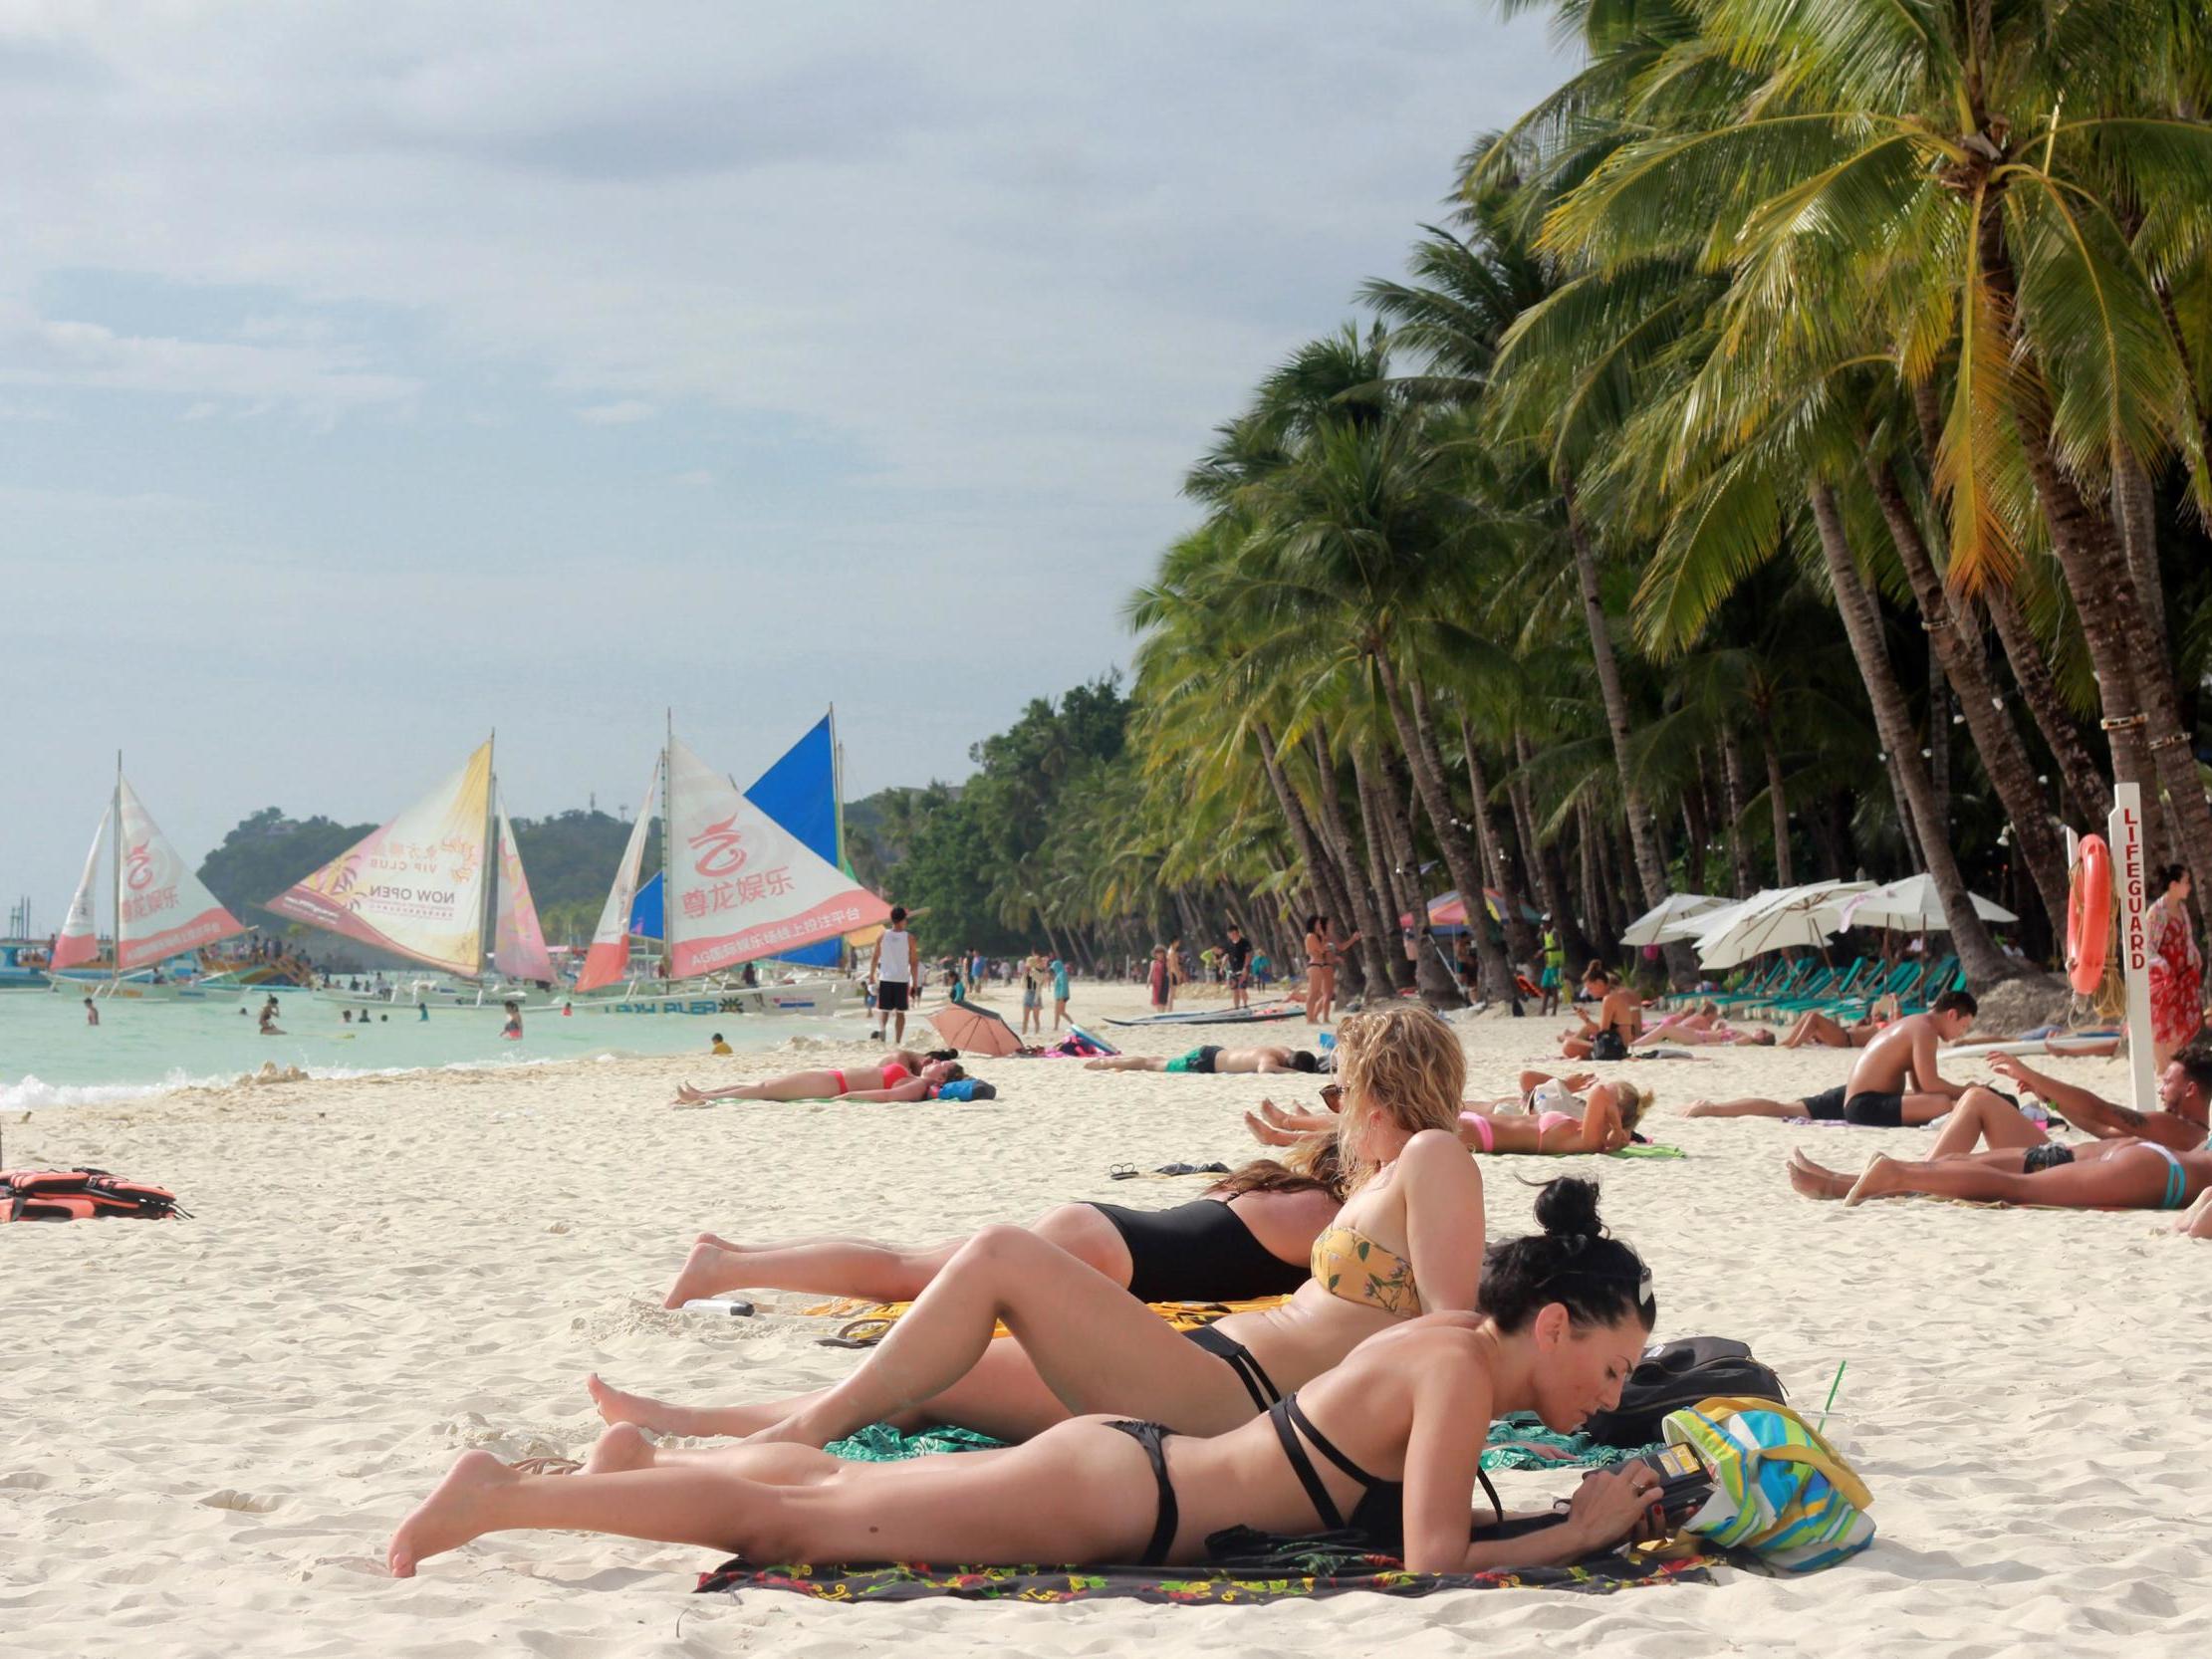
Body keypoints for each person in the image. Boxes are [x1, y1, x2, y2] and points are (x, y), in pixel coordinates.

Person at [388, 1179, 1659, 1579]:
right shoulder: (1447, 1366)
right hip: (1124, 1494)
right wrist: (1582, 1529)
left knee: (827, 1492)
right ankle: (497, 1499)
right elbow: (1434, 1565)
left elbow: (1426, 1524)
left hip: (1132, 1472)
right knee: (800, 1521)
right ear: (1550, 1323)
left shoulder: (1448, 1364)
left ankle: (646, 1468)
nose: (1612, 1393)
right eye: (1611, 1363)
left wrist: (1570, 1514)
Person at [588, 1005, 1486, 1450]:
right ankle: (692, 1421)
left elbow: (1451, 1329)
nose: (1341, 1105)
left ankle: (790, 1434)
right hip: (1214, 1364)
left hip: (1235, 1392)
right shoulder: (1392, 1172)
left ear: (1379, 1085)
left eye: (1346, 1087)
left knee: (996, 1254)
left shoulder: (1433, 1157)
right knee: (944, 1375)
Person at [661, 1141, 1348, 1309]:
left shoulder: (1279, 1187)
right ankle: (725, 1270)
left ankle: (736, 1253)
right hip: (1108, 1253)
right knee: (907, 1278)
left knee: (911, 1260)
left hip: (1102, 1232)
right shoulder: (1326, 1214)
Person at [1685, 991, 1981, 1126]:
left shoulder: (1914, 1024)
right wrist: (1970, 1091)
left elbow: (1920, 1088)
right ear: (1952, 1014)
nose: (1959, 1034)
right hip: (1865, 1104)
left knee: (1783, 1108)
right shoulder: (1925, 1029)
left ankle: (1713, 1109)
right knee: (1944, 1104)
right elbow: (1931, 1087)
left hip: (1854, 1093)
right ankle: (1712, 1109)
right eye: (1963, 1026)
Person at [1912, 1043, 2212, 1158]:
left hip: (2060, 1165)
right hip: (2060, 1159)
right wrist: (2050, 1100)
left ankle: (1925, 1171)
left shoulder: (2183, 1130)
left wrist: (2029, 1071)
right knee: (1978, 1100)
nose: (2161, 1090)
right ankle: (1926, 1170)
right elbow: (2101, 1128)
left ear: (2190, 1090)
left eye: (2168, 1082)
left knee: (1978, 1099)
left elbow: (2101, 1110)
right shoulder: (2178, 1130)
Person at [1789, 1139, 2212, 1211]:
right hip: (2160, 1175)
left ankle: (1837, 1182)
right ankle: (1895, 1173)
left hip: (2147, 1155)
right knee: (2020, 1189)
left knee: (1979, 1164)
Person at [673, 1052, 960, 1105]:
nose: (934, 1061)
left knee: (764, 1089)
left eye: (940, 1064)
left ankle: (704, 1098)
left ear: (942, 1080)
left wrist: (848, 1097)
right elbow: (897, 1053)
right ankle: (703, 1092)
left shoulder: (917, 1085)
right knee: (764, 1084)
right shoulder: (910, 1071)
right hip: (831, 1076)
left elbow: (888, 1097)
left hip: (834, 1086)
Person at [2146, 864, 2204, 1069]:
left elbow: (2187, 939)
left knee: (2182, 1022)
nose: (2189, 887)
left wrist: (2194, 954)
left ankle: (2169, 1066)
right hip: (2163, 978)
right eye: (2186, 882)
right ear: (2173, 885)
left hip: (2182, 975)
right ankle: (2162, 1067)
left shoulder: (2182, 909)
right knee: (2160, 1023)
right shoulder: (2157, 912)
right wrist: (2162, 965)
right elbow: (2148, 947)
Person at [1559, 966, 1643, 1061]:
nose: (1589, 993)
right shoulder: (1615, 995)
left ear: (1599, 983)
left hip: (1614, 1048)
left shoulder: (1609, 999)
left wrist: (1586, 1019)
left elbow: (1602, 1033)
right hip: (1618, 1045)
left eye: (1590, 988)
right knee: (1573, 1040)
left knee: (1568, 1044)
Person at [1084, 1044, 1323, 1075]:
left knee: (1158, 1060)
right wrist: (1299, 1074)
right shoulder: (1270, 1057)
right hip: (1205, 1062)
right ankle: (1109, 1062)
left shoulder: (1282, 1049)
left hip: (1214, 1054)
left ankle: (1122, 1064)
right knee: (1154, 1064)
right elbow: (1265, 1070)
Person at [867, 906, 917, 1045]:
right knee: (900, 1013)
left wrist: (871, 976)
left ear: (892, 919)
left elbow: (875, 958)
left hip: (886, 978)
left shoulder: (882, 935)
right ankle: (897, 1041)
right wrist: (915, 983)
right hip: (901, 979)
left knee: (884, 1009)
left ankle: (882, 1029)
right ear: (903, 920)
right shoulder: (909, 938)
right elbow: (914, 962)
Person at [1303, 916, 1359, 1025]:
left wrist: (1353, 939)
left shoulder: (1322, 936)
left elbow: (1339, 947)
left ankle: (1316, 1017)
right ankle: (1314, 1017)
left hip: (1321, 965)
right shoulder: (1316, 936)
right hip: (1321, 965)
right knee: (1322, 994)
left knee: (1323, 993)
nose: (1332, 924)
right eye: (1330, 923)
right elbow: (1322, 950)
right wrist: (1327, 944)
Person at [1019, 950, 1049, 1038]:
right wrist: (1025, 973)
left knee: (1036, 1019)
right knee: (1025, 1019)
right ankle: (1023, 1035)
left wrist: (1033, 970)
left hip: (1036, 995)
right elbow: (1022, 984)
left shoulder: (1037, 972)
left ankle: (1037, 1035)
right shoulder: (1027, 972)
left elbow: (1040, 981)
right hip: (1027, 994)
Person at [1539, 919, 1566, 1017]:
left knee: (1554, 988)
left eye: (1545, 923)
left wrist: (1544, 950)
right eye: (1543, 923)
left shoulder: (1555, 933)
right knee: (1545, 987)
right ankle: (1543, 1010)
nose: (1544, 925)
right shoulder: (1545, 933)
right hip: (1549, 964)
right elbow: (1545, 945)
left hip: (1557, 964)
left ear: (1551, 923)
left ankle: (1554, 1011)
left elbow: (1558, 946)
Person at [1224, 925, 1253, 1012]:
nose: (1229, 935)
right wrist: (1222, 967)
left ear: (1235, 932)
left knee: (1242, 989)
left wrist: (1245, 968)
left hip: (1244, 969)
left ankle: (1245, 1006)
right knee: (1235, 990)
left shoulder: (1245, 942)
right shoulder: (1229, 943)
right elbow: (1227, 955)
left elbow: (1248, 956)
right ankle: (1236, 1008)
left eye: (1230, 933)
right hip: (1233, 969)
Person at [1146, 946, 1170, 1013]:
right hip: (1156, 983)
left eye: (1161, 953)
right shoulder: (1153, 962)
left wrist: (1171, 983)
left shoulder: (1167, 962)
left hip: (1164, 982)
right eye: (1157, 953)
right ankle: (1159, 1013)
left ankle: (1162, 1013)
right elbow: (1150, 973)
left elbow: (1170, 973)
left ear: (1163, 953)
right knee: (1157, 1000)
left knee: (1163, 1001)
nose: (1159, 954)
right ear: (1155, 954)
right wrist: (1148, 982)